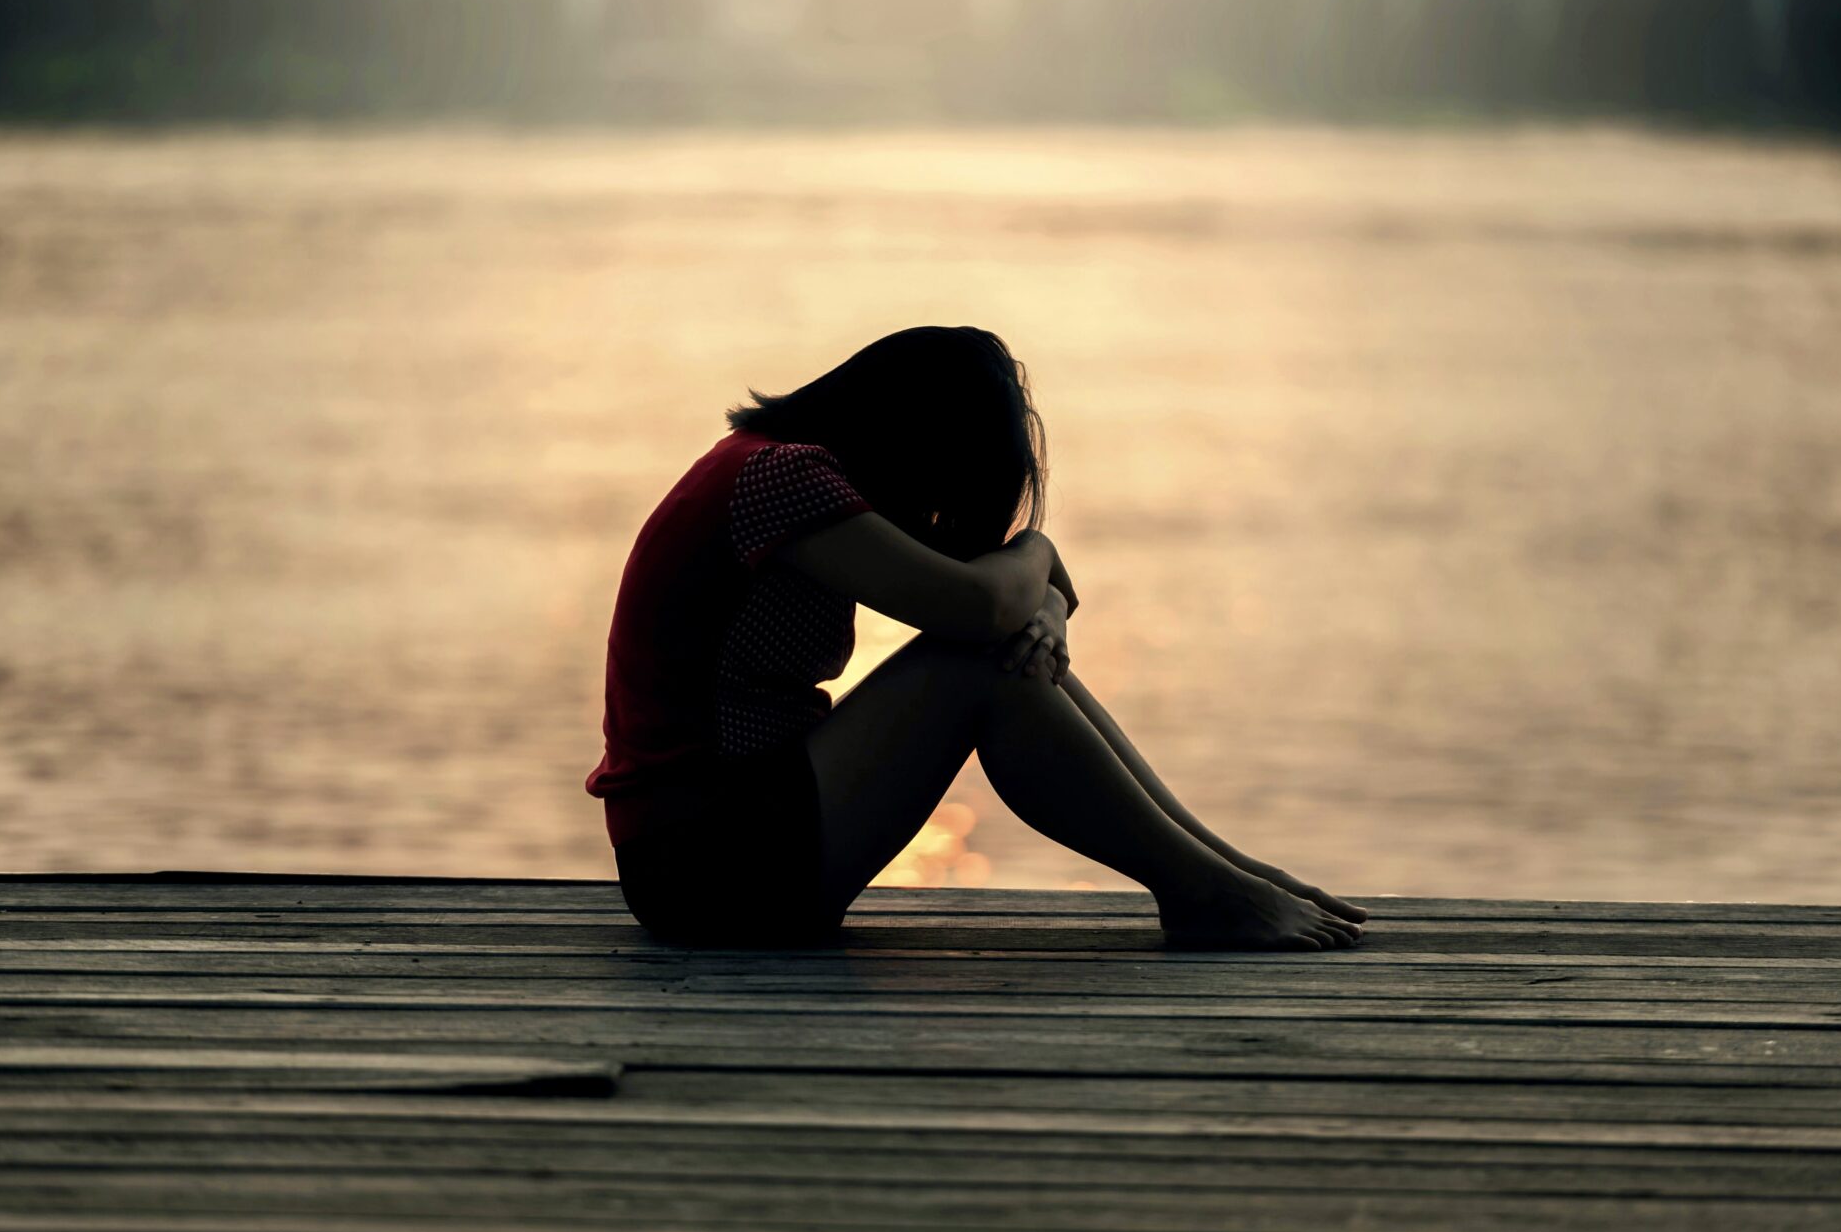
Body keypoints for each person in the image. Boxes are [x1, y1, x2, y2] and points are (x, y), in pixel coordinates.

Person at [585, 325, 1368, 950]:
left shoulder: (775, 473)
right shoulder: (781, 479)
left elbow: (1008, 605)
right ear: (917, 438)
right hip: (706, 866)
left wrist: (1046, 606)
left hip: (727, 847)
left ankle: (1223, 873)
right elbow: (981, 605)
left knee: (993, 655)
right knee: (976, 665)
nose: (936, 511)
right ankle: (1206, 891)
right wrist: (1039, 552)